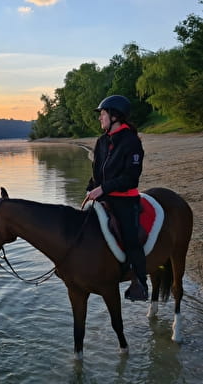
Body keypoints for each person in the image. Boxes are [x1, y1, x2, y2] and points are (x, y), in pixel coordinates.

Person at [86, 95, 148, 301]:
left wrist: (103, 188)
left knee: (131, 238)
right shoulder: (101, 141)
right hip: (102, 196)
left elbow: (131, 178)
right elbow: (97, 172)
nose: (100, 118)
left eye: (102, 114)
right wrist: (91, 189)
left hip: (125, 199)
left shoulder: (131, 142)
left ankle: (140, 281)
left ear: (115, 116)